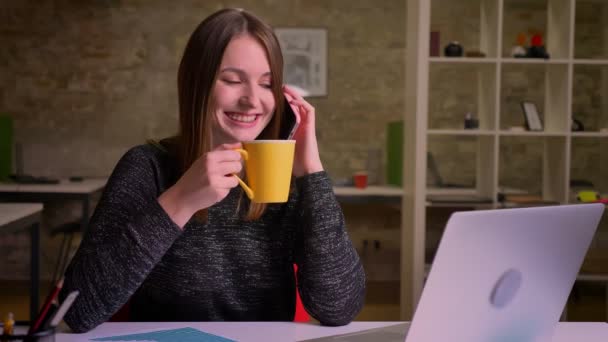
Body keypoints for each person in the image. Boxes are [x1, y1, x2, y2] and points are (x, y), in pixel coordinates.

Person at [58, 8, 365, 333]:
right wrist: (180, 201)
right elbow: (79, 310)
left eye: (266, 84)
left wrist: (312, 172)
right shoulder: (148, 167)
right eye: (233, 80)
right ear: (196, 85)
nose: (252, 100)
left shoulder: (286, 178)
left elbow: (339, 307)